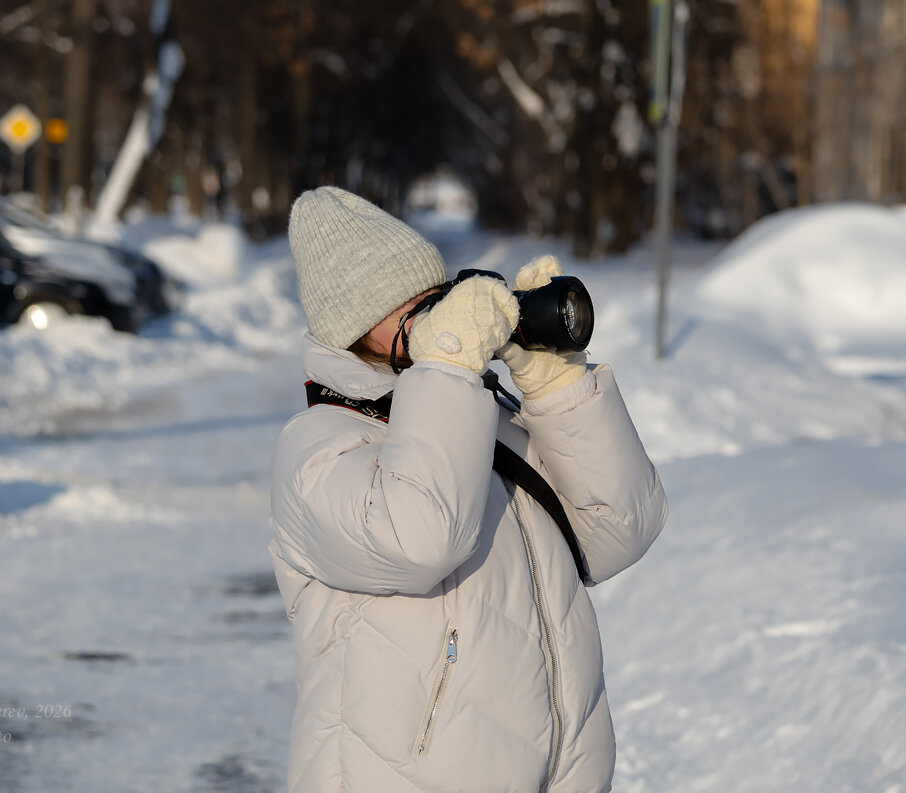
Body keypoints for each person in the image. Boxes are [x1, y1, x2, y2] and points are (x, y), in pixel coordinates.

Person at [269, 186, 667, 793]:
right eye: (406, 306)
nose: (432, 315)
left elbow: (621, 528)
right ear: (350, 329)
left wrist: (554, 386)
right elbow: (421, 539)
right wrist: (448, 363)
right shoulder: (318, 449)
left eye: (432, 297)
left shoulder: (477, 416)